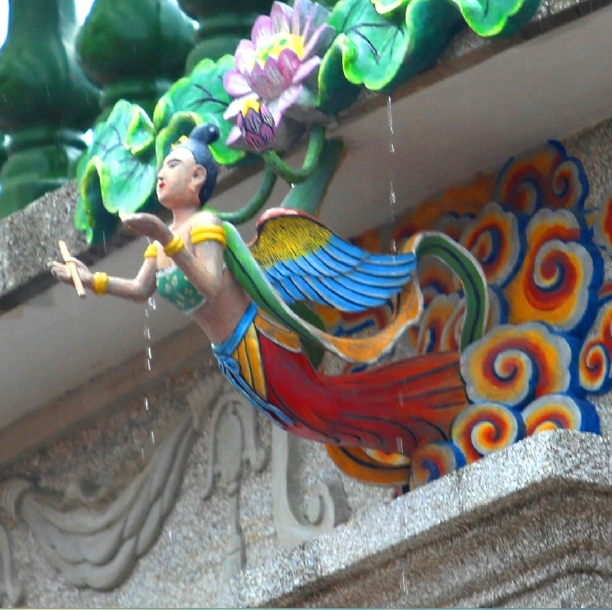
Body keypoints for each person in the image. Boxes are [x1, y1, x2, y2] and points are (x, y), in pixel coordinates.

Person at [50, 126, 471, 479]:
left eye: (172, 166)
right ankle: (415, 422)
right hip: (229, 355)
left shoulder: (205, 225)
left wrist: (165, 237)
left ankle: (435, 395)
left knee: (319, 407)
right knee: (305, 419)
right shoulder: (163, 241)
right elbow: (143, 290)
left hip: (257, 341)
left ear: (197, 178)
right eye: (161, 167)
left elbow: (213, 285)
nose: (161, 174)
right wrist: (94, 280)